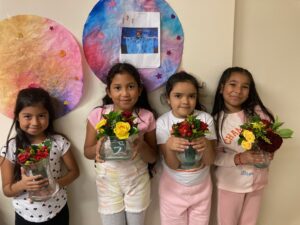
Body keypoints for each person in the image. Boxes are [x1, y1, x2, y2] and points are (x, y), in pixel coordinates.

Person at [84, 62, 157, 225]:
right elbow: (87, 152)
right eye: (117, 88)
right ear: (109, 91)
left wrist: (142, 145)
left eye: (130, 86)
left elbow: (153, 158)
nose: (125, 93)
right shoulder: (98, 115)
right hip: (107, 184)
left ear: (139, 90)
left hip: (137, 182)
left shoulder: (146, 117)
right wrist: (97, 148)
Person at [0, 87, 79, 225]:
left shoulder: (58, 142)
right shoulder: (11, 148)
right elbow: (7, 190)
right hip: (25, 214)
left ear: (49, 115)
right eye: (27, 116)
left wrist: (55, 184)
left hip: (58, 210)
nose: (35, 122)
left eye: (41, 115)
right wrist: (22, 184)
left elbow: (74, 172)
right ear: (17, 117)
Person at [211, 67, 275, 225]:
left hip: (258, 181)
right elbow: (214, 157)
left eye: (245, 86)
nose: (238, 90)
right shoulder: (215, 121)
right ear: (221, 88)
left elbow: (271, 140)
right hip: (230, 184)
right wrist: (240, 158)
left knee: (250, 222)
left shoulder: (258, 114)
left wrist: (270, 151)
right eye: (233, 84)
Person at [156, 72, 216, 225]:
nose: (185, 101)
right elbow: (173, 164)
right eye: (178, 95)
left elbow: (210, 160)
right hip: (172, 190)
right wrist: (169, 146)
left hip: (201, 189)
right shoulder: (163, 122)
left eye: (191, 96)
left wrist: (206, 143)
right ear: (168, 98)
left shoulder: (205, 119)